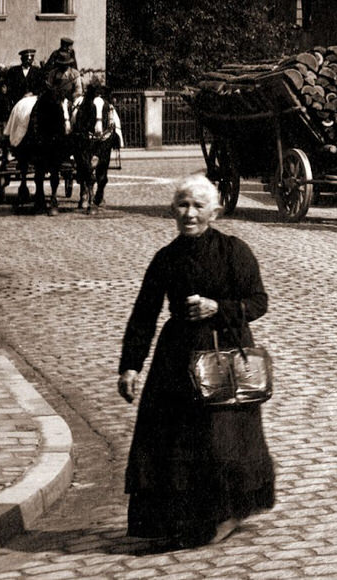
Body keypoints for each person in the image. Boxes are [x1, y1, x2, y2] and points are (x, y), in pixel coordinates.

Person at [117, 174, 275, 549]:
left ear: (214, 212)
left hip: (224, 356)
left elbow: (258, 302)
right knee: (171, 438)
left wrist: (218, 308)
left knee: (221, 439)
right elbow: (144, 313)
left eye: (198, 206)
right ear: (173, 210)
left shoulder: (234, 251)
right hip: (176, 359)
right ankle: (178, 517)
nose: (189, 214)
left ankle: (225, 512)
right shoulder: (165, 258)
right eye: (183, 205)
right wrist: (131, 365)